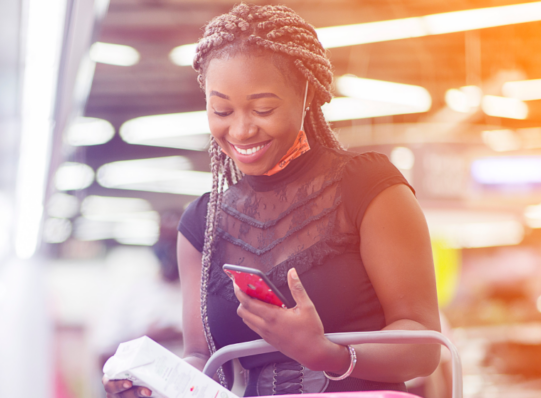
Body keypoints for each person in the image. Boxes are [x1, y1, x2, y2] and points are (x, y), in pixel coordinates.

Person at [104, 4, 441, 397]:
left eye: (263, 108)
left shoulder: (368, 187)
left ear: (306, 93)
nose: (242, 129)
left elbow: (423, 346)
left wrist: (328, 354)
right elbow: (202, 357)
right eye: (222, 110)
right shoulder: (202, 224)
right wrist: (158, 383)